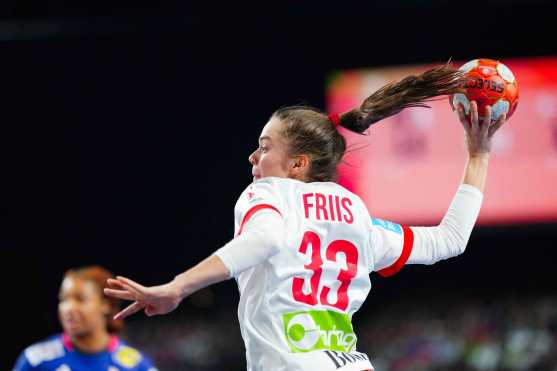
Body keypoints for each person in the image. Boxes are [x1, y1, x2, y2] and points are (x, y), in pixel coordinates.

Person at [104, 64, 506, 371]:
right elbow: (450, 240)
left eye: (263, 147)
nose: (253, 158)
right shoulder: (357, 216)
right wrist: (479, 154)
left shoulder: (269, 194)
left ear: (297, 164)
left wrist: (178, 286)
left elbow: (266, 239)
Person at [14, 266, 158, 371]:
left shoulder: (137, 365)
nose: (69, 308)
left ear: (105, 304)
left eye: (80, 299)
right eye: (63, 299)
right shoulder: (35, 360)